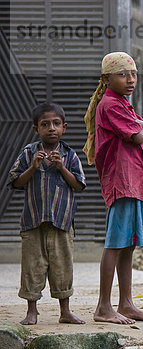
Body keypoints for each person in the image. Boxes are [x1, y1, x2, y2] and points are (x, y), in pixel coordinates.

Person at [83, 52, 143, 324]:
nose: (131, 80)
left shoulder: (124, 104)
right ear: (106, 79)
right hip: (122, 182)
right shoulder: (111, 105)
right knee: (115, 244)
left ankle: (126, 303)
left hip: (135, 182)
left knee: (129, 245)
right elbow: (140, 136)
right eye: (123, 74)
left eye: (134, 74)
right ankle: (103, 306)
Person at [8, 102, 86, 325]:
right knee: (32, 266)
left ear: (64, 127)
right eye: (45, 124)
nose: (51, 128)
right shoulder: (28, 153)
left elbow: (79, 185)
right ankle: (32, 311)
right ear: (36, 129)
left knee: (63, 266)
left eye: (56, 124)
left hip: (62, 222)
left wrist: (61, 168)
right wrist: (33, 167)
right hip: (33, 222)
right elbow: (16, 182)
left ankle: (65, 311)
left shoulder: (70, 156)